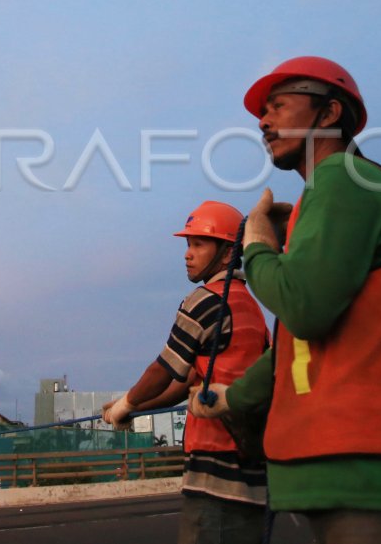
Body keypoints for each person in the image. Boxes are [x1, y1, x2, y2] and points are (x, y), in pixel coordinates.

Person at [190, 56, 381, 543]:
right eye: (263, 112)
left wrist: (258, 244)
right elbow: (297, 346)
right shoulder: (329, 191)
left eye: (279, 106)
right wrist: (231, 398)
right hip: (359, 466)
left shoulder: (344, 176)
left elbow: (303, 307)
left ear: (328, 113)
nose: (263, 121)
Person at [102, 201, 269, 544]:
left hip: (213, 473)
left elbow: (163, 370)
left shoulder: (205, 301)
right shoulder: (252, 309)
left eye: (198, 244)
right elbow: (185, 385)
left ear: (227, 253)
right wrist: (134, 407)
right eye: (188, 245)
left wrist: (124, 405)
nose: (187, 254)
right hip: (254, 476)